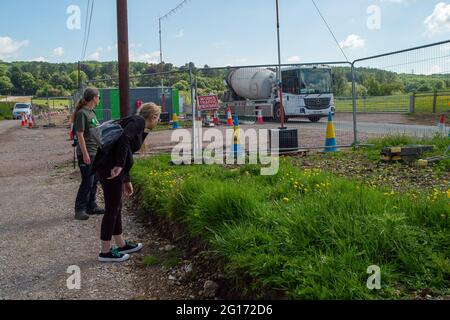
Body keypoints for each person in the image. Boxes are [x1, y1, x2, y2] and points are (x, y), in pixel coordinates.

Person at [92, 103, 161, 263]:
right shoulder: (138, 121)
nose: (158, 121)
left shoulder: (139, 125)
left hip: (112, 168)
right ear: (153, 117)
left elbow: (126, 151)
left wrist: (126, 179)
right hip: (110, 168)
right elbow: (124, 140)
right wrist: (119, 166)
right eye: (158, 117)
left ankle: (121, 244)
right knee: (112, 208)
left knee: (117, 206)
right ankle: (105, 251)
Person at [70, 88, 105, 221]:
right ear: (94, 97)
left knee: (94, 180)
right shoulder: (82, 113)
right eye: (99, 97)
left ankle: (92, 206)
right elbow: (79, 134)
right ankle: (79, 209)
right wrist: (85, 154)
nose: (99, 99)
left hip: (95, 152)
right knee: (87, 182)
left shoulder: (92, 112)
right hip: (87, 153)